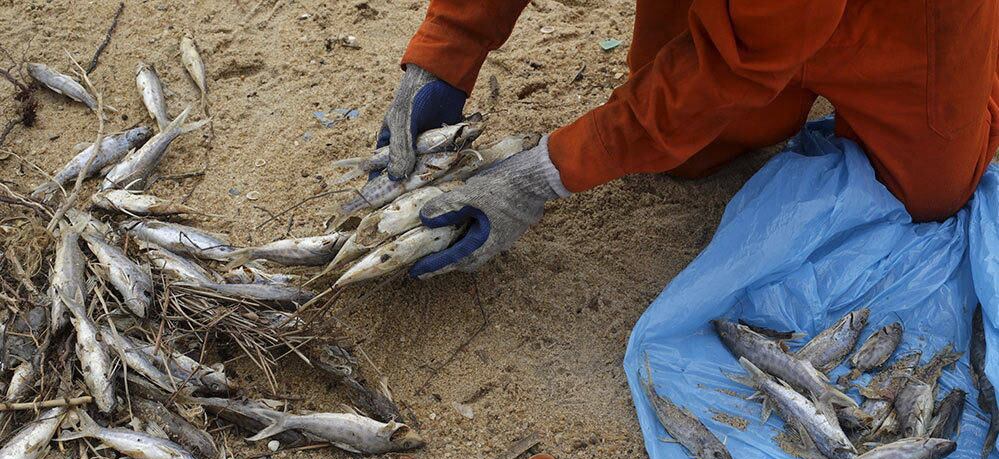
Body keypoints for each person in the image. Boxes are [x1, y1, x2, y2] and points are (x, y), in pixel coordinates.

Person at [376, 0, 999, 278]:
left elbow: (726, 69)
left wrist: (542, 175)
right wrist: (446, 53)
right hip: (749, 14)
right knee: (689, 153)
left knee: (929, 195)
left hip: (902, 17)